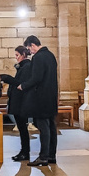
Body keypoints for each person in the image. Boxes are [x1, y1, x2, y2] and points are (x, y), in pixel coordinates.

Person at [18, 35, 58, 167]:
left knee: (43, 127)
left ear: (32, 45)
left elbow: (36, 78)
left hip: (41, 98)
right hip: (52, 96)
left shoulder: (38, 57)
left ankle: (43, 157)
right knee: (51, 127)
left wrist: (23, 85)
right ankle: (51, 155)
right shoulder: (51, 55)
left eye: (29, 49)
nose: (30, 52)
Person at [0, 46, 32, 162]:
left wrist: (8, 79)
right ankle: (23, 151)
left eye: (17, 55)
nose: (16, 58)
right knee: (21, 128)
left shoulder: (27, 67)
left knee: (23, 128)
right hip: (18, 102)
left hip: (22, 102)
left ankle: (25, 152)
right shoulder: (22, 67)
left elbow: (22, 84)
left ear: (23, 55)